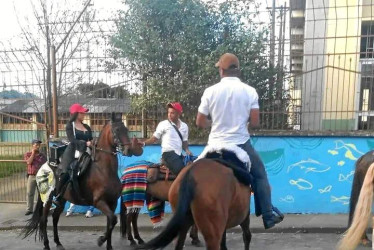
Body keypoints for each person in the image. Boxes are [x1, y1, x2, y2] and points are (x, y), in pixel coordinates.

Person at [196, 53, 284, 229]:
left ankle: (186, 213)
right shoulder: (250, 91)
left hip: (214, 144)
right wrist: (241, 122)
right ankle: (267, 215)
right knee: (260, 175)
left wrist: (214, 123)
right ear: (237, 70)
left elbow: (199, 122)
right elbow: (255, 122)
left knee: (191, 173)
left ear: (221, 70)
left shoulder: (210, 91)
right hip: (241, 144)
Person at [54, 103, 93, 207]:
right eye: (82, 112)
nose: (84, 114)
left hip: (87, 152)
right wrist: (85, 143)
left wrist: (93, 143)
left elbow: (91, 139)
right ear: (76, 114)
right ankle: (58, 196)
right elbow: (72, 140)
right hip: (72, 152)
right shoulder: (69, 126)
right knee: (66, 172)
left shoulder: (87, 126)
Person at [141, 102, 192, 175]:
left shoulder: (184, 126)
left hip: (178, 155)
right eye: (168, 112)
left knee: (195, 167)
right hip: (167, 154)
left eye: (172, 113)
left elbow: (184, 142)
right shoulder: (163, 124)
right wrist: (144, 143)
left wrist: (187, 150)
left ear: (179, 114)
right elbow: (154, 139)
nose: (169, 115)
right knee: (182, 172)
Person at [24, 139, 47, 215]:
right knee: (30, 193)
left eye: (39, 145)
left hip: (41, 176)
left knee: (42, 193)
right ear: (32, 145)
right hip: (32, 176)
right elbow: (28, 162)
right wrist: (33, 154)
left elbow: (45, 164)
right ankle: (29, 209)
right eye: (36, 145)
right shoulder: (28, 154)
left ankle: (41, 209)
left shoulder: (42, 155)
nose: (38, 146)